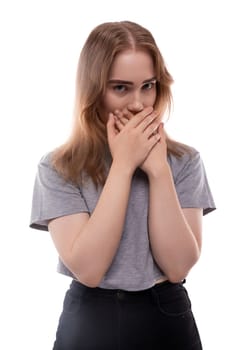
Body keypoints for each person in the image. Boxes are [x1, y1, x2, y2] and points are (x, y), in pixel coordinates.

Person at [30, 21, 216, 349]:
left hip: (165, 313)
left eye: (148, 86)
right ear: (94, 91)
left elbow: (178, 266)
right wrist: (124, 165)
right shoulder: (59, 167)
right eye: (120, 88)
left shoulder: (185, 161)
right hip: (90, 318)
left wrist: (158, 171)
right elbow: (89, 269)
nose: (138, 103)